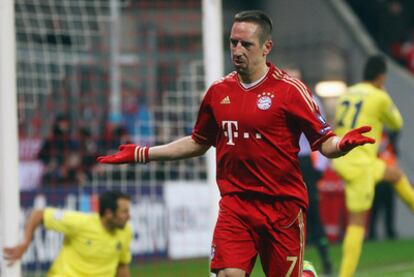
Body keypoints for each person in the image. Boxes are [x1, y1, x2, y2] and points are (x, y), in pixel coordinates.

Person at [97, 10, 374, 277]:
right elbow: (198, 141)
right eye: (233, 42)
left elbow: (323, 141)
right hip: (236, 205)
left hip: (282, 208)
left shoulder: (290, 91)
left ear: (266, 47)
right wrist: (144, 153)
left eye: (246, 44)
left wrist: (341, 145)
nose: (237, 50)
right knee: (228, 274)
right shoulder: (218, 92)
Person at [332, 55, 414, 277]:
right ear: (381, 77)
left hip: (346, 157)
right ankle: (344, 275)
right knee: (358, 220)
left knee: (396, 175)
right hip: (360, 164)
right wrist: (384, 95)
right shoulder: (379, 96)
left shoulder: (347, 93)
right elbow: (397, 123)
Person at [3, 190, 132, 277]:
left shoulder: (125, 231)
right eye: (124, 212)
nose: (129, 216)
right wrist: (25, 243)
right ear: (109, 213)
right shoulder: (81, 223)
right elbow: (39, 214)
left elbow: (122, 265)